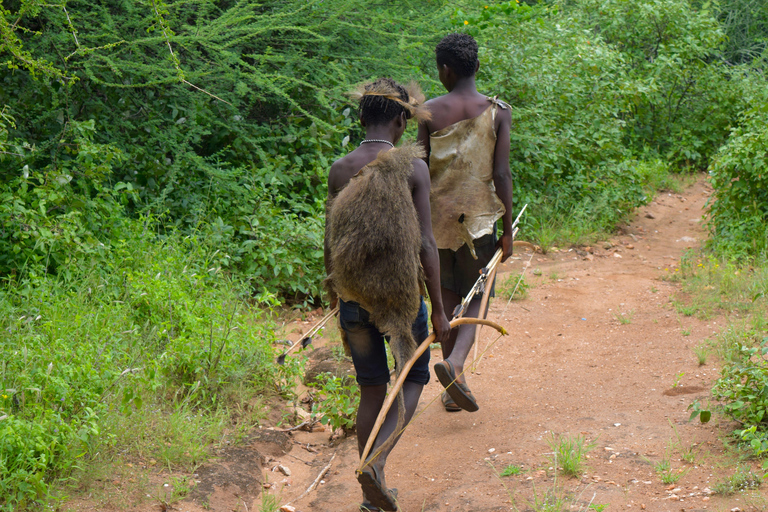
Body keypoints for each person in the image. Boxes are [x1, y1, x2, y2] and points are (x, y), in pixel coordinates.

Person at [324, 78, 451, 512]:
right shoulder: (413, 168)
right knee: (414, 377)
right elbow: (427, 245)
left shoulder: (340, 168)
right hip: (400, 302)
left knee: (371, 390)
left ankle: (370, 497)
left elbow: (331, 241)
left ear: (362, 118)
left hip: (353, 300)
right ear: (401, 119)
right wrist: (439, 310)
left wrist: (333, 293)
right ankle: (376, 463)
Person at [417, 32, 514, 413]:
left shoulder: (428, 111)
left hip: (435, 220)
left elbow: (419, 170)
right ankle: (455, 366)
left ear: (445, 70)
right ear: (476, 66)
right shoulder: (499, 111)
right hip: (480, 220)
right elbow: (502, 174)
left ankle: (453, 380)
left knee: (447, 297)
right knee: (477, 295)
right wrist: (507, 229)